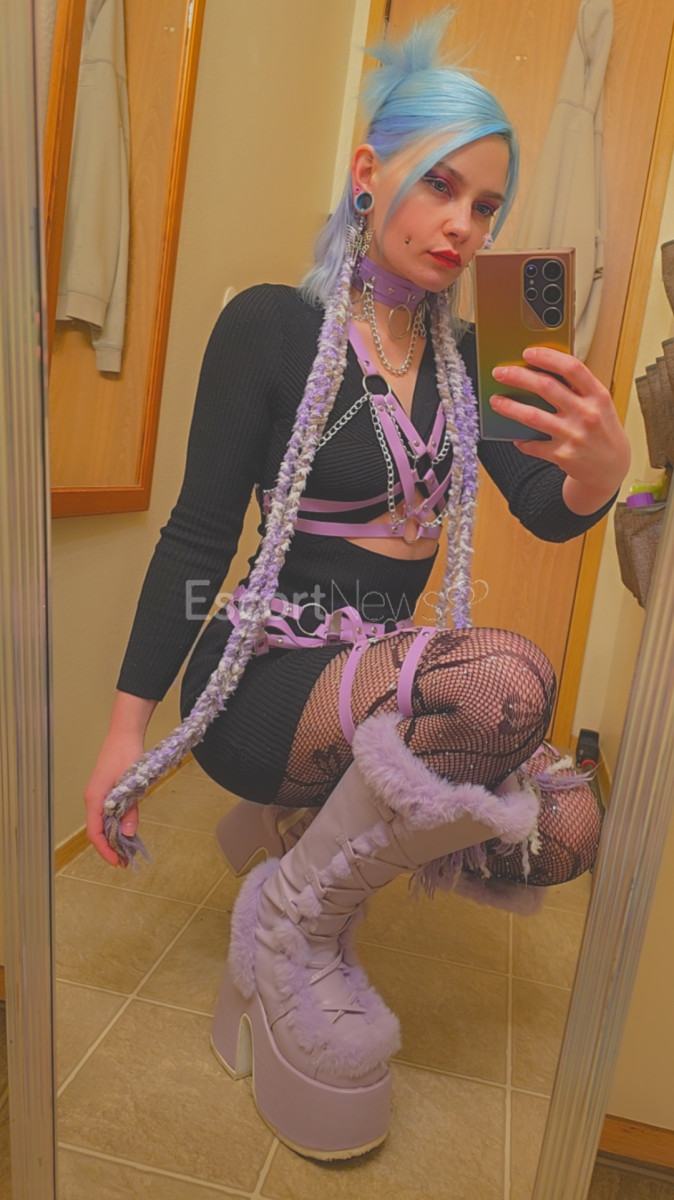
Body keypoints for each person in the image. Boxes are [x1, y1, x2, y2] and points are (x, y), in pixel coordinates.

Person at [84, 11, 630, 1161]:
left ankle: (304, 854)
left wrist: (596, 473)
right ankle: (292, 921)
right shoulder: (271, 325)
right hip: (263, 676)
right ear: (368, 171)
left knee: (572, 823)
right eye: (440, 184)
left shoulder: (474, 347)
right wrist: (124, 735)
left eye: (486, 206)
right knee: (504, 682)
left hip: (380, 679)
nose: (463, 224)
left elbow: (542, 506)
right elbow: (195, 538)